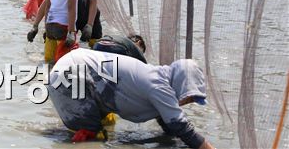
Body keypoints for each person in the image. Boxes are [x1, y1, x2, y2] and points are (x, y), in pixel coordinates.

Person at [47, 49, 215, 149]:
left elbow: (170, 126)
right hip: (69, 76)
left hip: (76, 72)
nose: (187, 102)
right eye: (189, 96)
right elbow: (182, 128)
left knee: (101, 129)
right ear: (180, 84)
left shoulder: (159, 82)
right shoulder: (158, 86)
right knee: (91, 134)